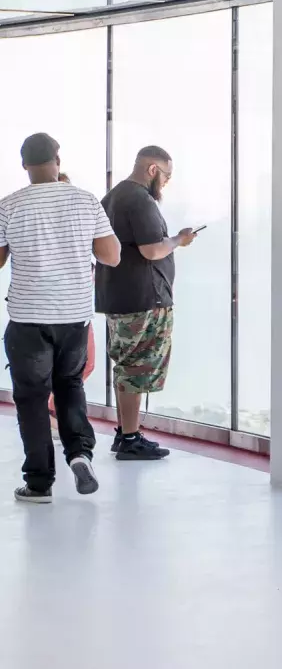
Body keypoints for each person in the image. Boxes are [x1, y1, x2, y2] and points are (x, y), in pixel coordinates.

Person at [0, 133, 120, 503]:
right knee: (70, 386)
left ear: (24, 165)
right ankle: (80, 454)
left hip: (27, 319)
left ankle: (38, 483)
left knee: (32, 399)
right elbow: (111, 256)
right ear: (57, 159)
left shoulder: (9, 206)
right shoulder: (85, 201)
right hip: (73, 317)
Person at [95, 145, 197, 460]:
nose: (165, 183)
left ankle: (126, 432)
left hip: (118, 295)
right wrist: (180, 239)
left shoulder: (111, 197)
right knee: (136, 368)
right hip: (143, 299)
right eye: (166, 175)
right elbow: (152, 250)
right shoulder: (139, 199)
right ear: (152, 169)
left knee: (127, 365)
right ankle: (129, 437)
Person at [47, 172, 97, 440]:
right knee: (78, 365)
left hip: (77, 311)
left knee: (82, 365)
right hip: (65, 313)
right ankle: (54, 414)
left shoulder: (74, 233)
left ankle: (54, 413)